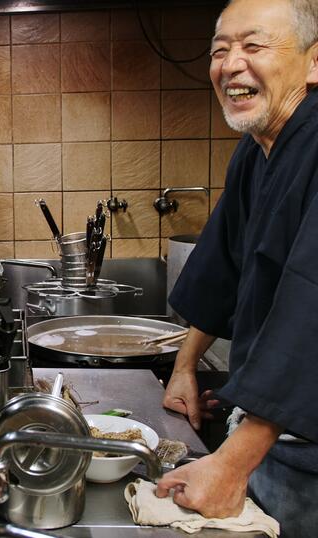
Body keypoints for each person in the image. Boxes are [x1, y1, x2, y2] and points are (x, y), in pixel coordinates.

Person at [156, 0, 318, 535]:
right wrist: (184, 366)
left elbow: (310, 311)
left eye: (254, 45)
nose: (230, 64)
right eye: (220, 50)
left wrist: (232, 462)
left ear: (314, 63)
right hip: (269, 436)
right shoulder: (256, 151)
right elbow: (222, 270)